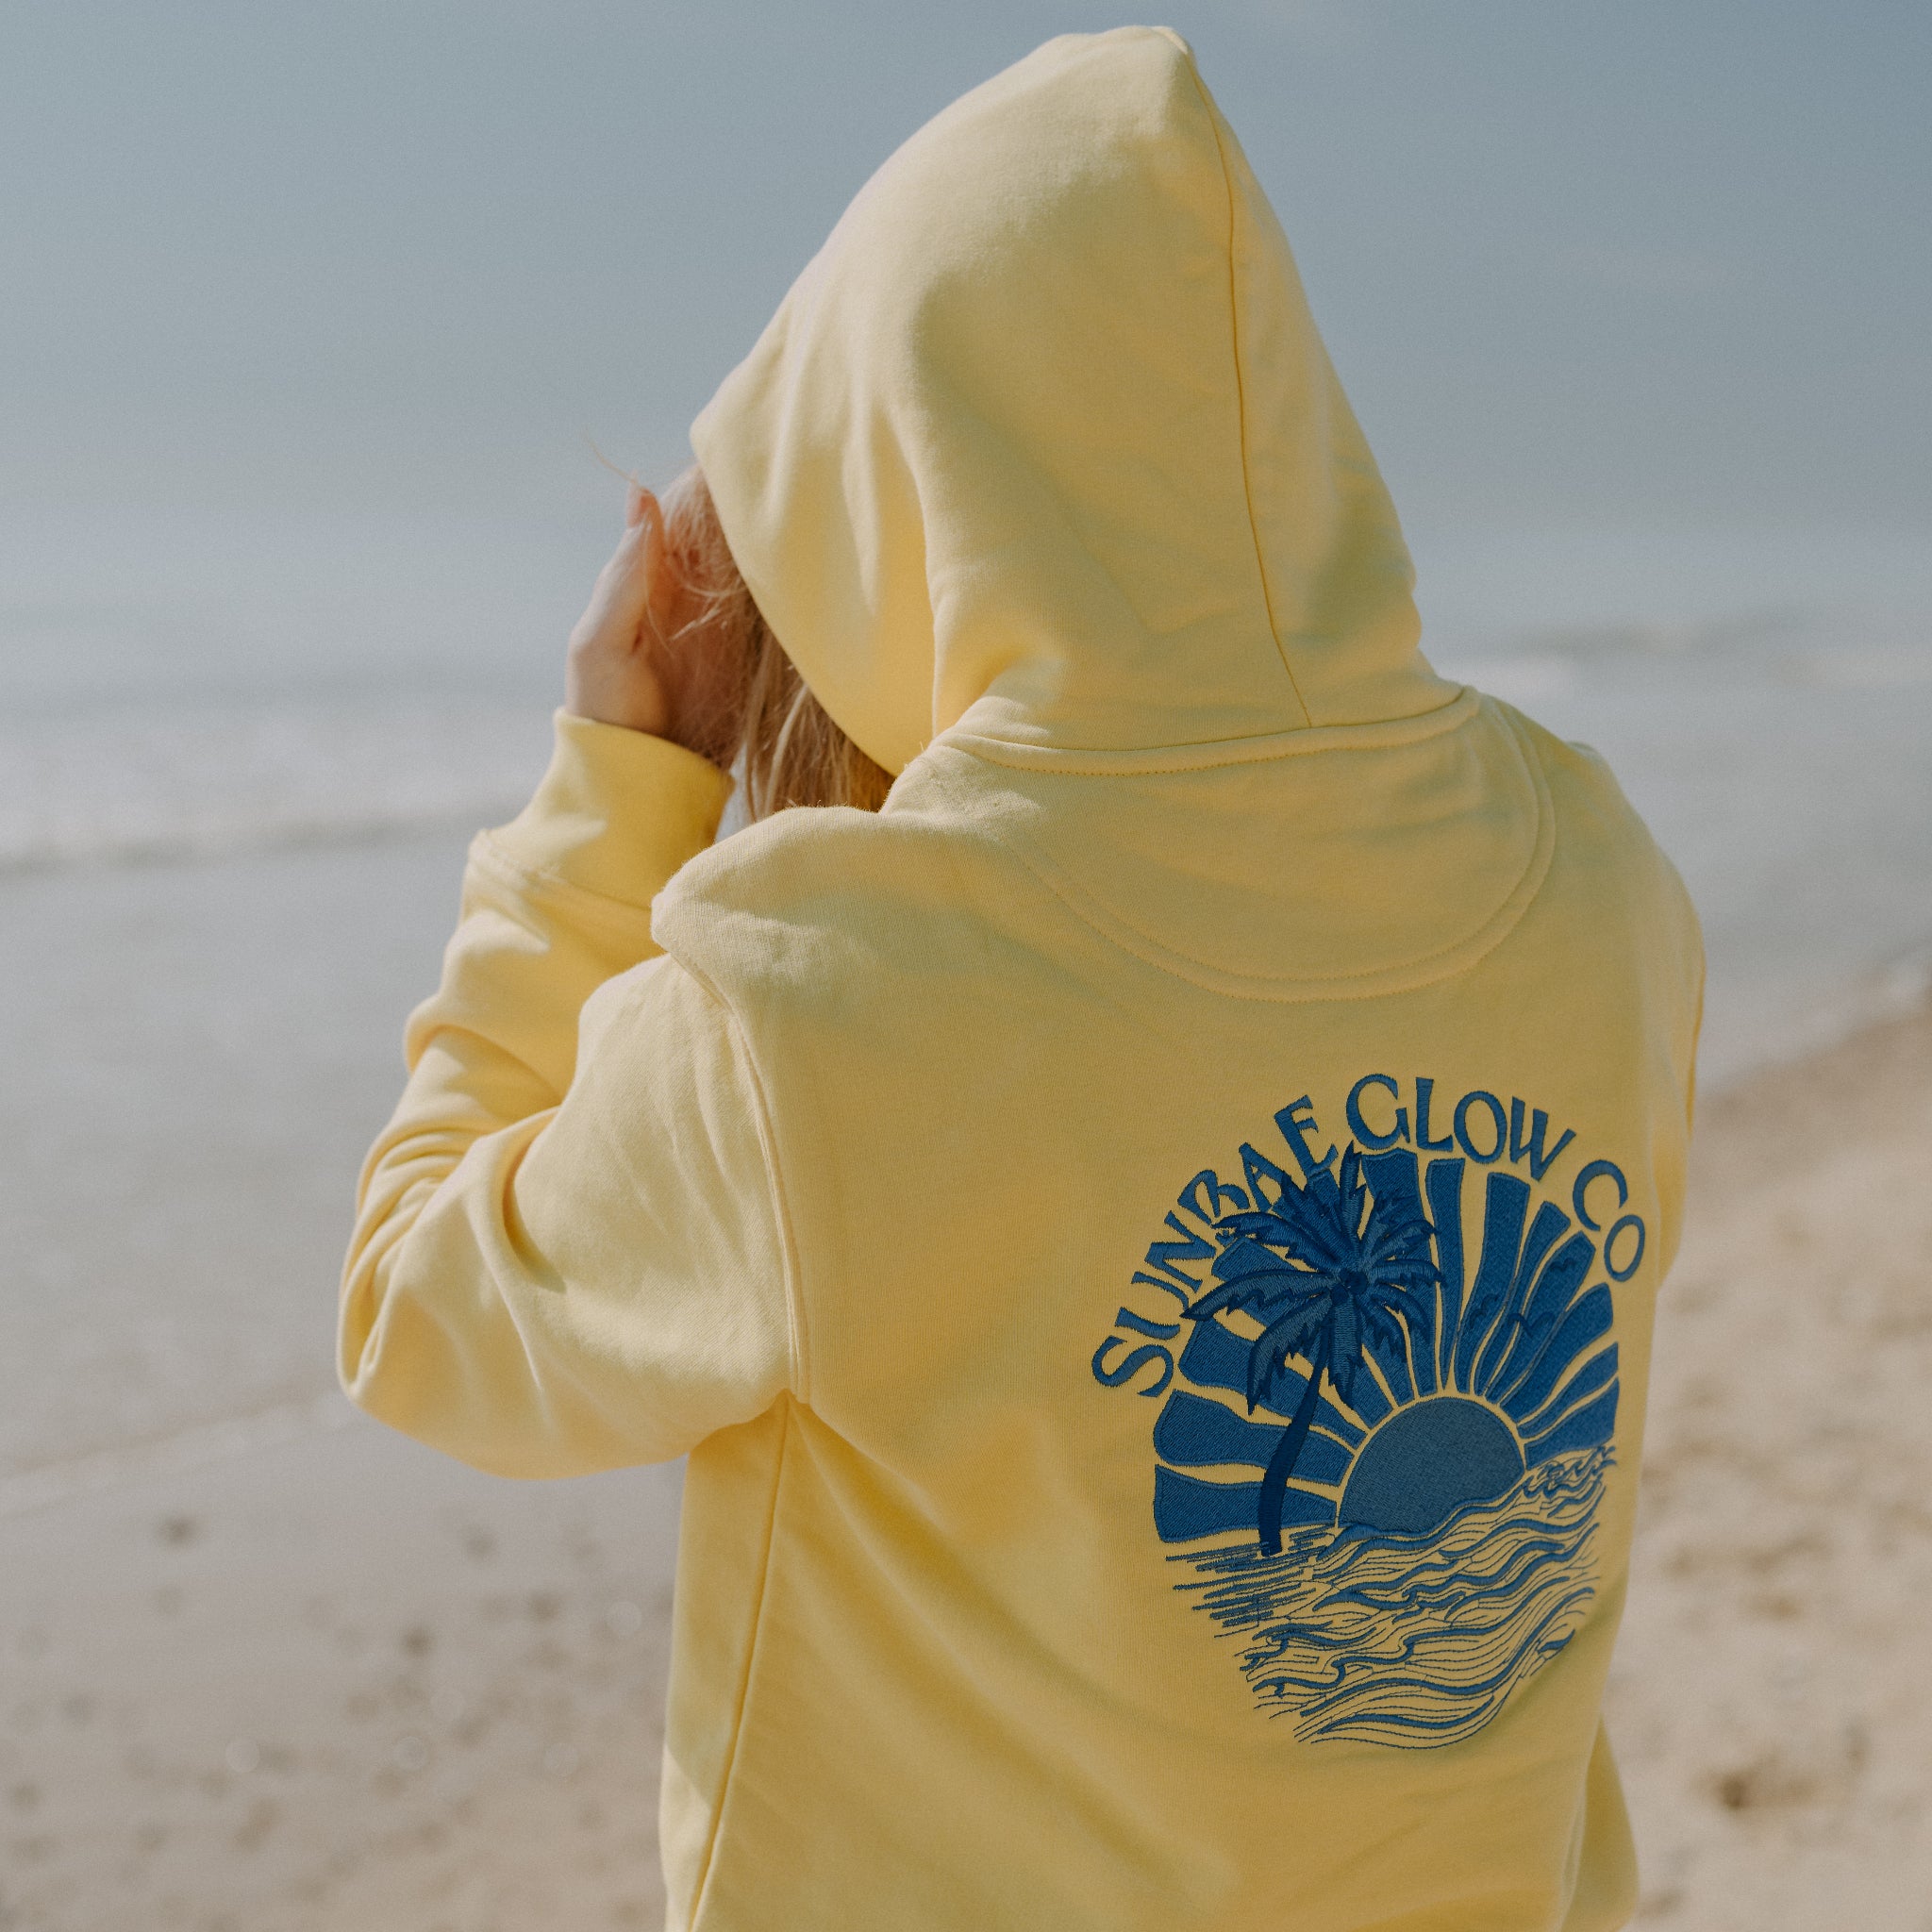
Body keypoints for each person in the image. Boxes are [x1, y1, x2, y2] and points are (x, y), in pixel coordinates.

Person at [339, 26, 1703, 1931]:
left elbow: (421, 1316)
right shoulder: (1597, 874)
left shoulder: (825, 995)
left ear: (886, 481)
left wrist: (616, 777)